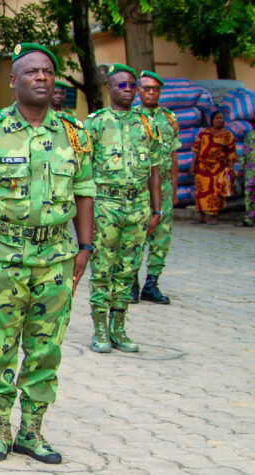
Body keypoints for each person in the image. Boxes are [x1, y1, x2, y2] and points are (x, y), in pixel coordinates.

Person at [0, 43, 95, 465]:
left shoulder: (74, 133)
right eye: (32, 72)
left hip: (56, 256)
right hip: (3, 254)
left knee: (45, 347)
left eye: (48, 72)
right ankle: (0, 426)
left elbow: (85, 192)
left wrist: (86, 246)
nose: (42, 78)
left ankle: (32, 430)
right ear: (13, 81)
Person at [85, 64, 163, 353]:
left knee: (128, 269)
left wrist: (157, 210)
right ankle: (100, 328)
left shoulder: (147, 123)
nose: (129, 90)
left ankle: (119, 327)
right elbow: (83, 172)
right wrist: (86, 215)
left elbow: (155, 168)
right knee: (102, 267)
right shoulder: (94, 123)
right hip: (106, 204)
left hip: (138, 205)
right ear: (108, 88)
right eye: (122, 85)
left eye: (133, 85)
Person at [134, 71, 179, 304]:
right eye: (147, 88)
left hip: (163, 184)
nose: (151, 92)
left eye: (155, 89)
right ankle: (131, 282)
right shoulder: (131, 117)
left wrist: (175, 187)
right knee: (136, 235)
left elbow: (173, 154)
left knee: (162, 236)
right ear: (138, 90)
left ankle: (152, 284)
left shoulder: (169, 118)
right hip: (139, 186)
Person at [191, 111, 236, 226]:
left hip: (218, 169)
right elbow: (196, 149)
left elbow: (231, 154)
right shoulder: (204, 133)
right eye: (217, 118)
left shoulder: (227, 135)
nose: (219, 120)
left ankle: (213, 217)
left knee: (216, 193)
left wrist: (231, 169)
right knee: (200, 192)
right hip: (202, 168)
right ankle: (202, 216)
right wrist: (193, 165)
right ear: (212, 120)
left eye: (221, 118)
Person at [238, 145, 255, 227]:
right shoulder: (250, 135)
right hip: (251, 173)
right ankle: (248, 220)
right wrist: (241, 168)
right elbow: (244, 153)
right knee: (249, 195)